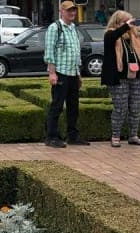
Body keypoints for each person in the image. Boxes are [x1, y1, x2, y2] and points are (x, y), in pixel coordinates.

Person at [101, 10, 140, 147]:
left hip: (136, 76)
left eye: (130, 21)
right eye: (125, 21)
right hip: (119, 77)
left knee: (135, 108)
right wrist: (125, 27)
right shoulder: (110, 34)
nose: (129, 24)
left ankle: (133, 136)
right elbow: (113, 37)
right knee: (120, 108)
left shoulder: (134, 35)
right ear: (117, 22)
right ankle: (115, 136)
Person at [44, 0, 89, 147]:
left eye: (73, 10)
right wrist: (52, 73)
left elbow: (76, 53)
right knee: (57, 106)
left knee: (73, 107)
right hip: (60, 72)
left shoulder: (73, 28)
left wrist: (78, 74)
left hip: (72, 73)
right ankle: (51, 137)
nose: (72, 13)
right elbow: (49, 52)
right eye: (69, 10)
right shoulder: (55, 28)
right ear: (61, 12)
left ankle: (72, 136)